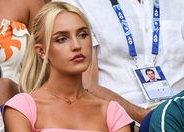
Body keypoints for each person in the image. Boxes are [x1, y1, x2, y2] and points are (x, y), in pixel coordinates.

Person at [4, 2, 133, 132]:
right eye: (62, 39)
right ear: (42, 51)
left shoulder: (112, 112)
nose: (77, 45)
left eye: (82, 35)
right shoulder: (23, 108)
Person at [53, 0, 184, 123]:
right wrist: (150, 119)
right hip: (119, 119)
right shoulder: (78, 3)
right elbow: (87, 85)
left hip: (179, 111)